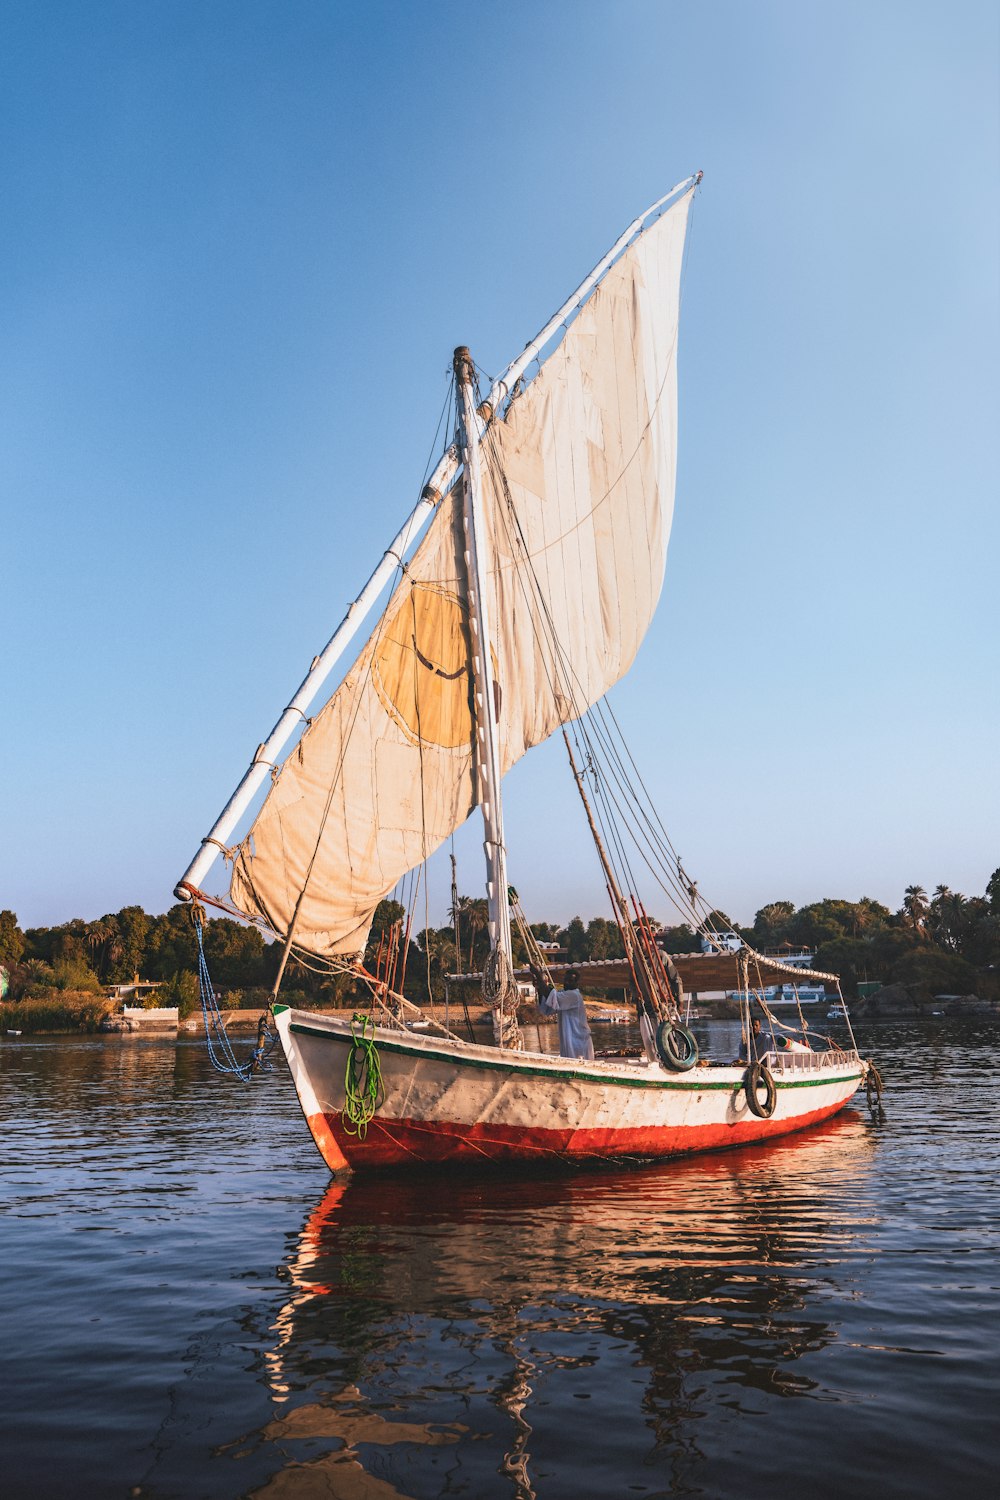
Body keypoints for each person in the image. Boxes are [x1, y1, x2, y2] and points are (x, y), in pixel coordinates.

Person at [538, 968, 594, 1060]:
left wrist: (538, 977)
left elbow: (551, 996)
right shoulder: (562, 994)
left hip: (579, 1044)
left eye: (570, 981)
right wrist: (540, 989)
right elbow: (546, 1010)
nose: (567, 983)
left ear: (577, 983)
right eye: (565, 980)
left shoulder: (574, 995)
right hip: (568, 1043)